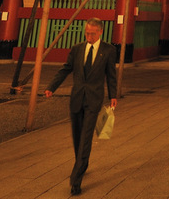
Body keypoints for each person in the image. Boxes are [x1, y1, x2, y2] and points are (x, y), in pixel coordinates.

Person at [44, 18, 118, 195]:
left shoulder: (108, 50)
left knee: (86, 137)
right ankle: (82, 162)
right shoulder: (77, 49)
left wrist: (113, 96)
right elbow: (66, 68)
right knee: (77, 137)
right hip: (77, 98)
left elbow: (111, 75)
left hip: (94, 99)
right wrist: (51, 87)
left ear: (100, 32)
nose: (90, 36)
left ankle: (76, 179)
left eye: (93, 33)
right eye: (87, 33)